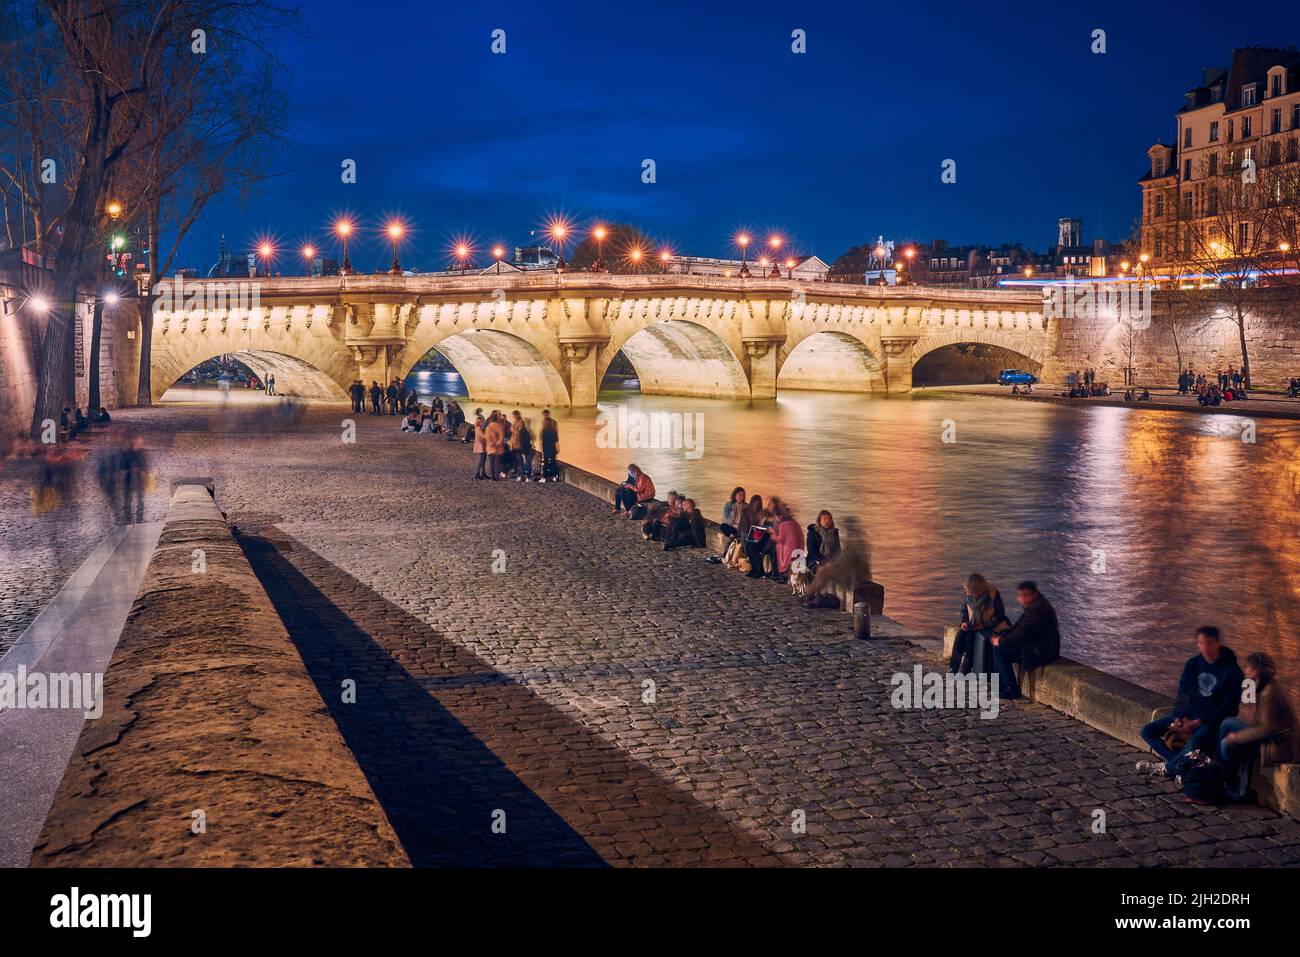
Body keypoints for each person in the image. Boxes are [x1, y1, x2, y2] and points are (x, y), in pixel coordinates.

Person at [1137, 626, 1244, 780]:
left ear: (1217, 643)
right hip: (1189, 715)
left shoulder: (1232, 671)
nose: (1205, 648)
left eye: (1209, 643)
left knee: (1196, 741)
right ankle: (1181, 765)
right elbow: (1183, 694)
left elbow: (1229, 708)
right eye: (1201, 643)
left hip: (1213, 721)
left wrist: (1198, 722)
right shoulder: (1193, 664)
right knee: (1147, 731)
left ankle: (1168, 768)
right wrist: (1179, 717)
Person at [1218, 652, 1299, 801]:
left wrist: (1237, 737)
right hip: (1272, 737)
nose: (1246, 670)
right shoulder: (1262, 687)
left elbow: (1267, 729)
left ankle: (1238, 790)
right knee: (1227, 723)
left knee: (1226, 743)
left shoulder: (1269, 693)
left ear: (1256, 670)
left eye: (1248, 667)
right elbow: (1259, 722)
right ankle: (1226, 777)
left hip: (1279, 744)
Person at [989, 581, 1060, 699]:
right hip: (1035, 646)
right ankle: (1002, 684)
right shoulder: (1034, 606)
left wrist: (1001, 641)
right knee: (998, 646)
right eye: (1020, 595)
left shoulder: (1038, 610)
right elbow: (1018, 626)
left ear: (1034, 594)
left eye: (1025, 595)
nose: (1022, 599)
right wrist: (1002, 635)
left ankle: (1012, 688)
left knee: (999, 650)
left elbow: (1023, 633)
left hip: (1041, 651)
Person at [948, 573, 1008, 676]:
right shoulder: (968, 593)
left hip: (990, 626)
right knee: (960, 636)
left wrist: (985, 625)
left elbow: (1000, 616)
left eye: (973, 593)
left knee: (970, 638)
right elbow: (964, 610)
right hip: (974, 624)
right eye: (969, 592)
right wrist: (964, 622)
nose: (970, 594)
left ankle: (965, 670)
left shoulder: (993, 594)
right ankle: (953, 669)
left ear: (980, 589)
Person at [484, 412, 506, 479]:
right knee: (497, 463)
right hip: (499, 448)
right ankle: (497, 476)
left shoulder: (488, 427)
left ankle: (492, 476)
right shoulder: (500, 426)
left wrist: (491, 443)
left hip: (490, 447)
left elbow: (487, 437)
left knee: (491, 463)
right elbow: (501, 437)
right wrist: (498, 443)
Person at [540, 410, 559, 482]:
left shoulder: (544, 432)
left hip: (546, 449)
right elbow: (556, 441)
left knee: (546, 463)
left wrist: (541, 448)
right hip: (552, 449)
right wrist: (557, 449)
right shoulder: (553, 432)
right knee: (553, 462)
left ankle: (544, 477)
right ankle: (554, 476)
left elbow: (542, 441)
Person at [472, 415, 488, 479]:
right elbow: (483, 436)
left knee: (483, 460)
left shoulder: (478, 427)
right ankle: (477, 474)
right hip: (480, 445)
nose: (483, 422)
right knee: (481, 460)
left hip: (481, 445)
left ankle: (482, 473)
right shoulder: (478, 428)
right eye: (482, 421)